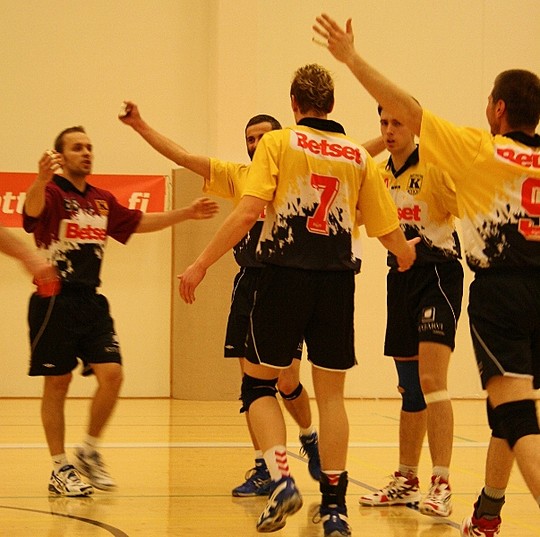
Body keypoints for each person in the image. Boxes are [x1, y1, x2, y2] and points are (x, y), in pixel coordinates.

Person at [313, 13, 540, 536]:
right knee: (500, 411)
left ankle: (445, 482)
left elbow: (413, 110)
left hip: (488, 287)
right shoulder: (383, 172)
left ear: (499, 108)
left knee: (511, 414)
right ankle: (484, 513)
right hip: (442, 279)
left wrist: (351, 59)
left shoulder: (477, 152)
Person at [178, 63, 418, 536]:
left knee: (258, 385)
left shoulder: (278, 142)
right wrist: (406, 254)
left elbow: (248, 211)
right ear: (331, 104)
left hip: (283, 277)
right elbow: (386, 227)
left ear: (294, 104)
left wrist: (201, 262)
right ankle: (335, 508)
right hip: (337, 283)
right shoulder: (357, 155)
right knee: (332, 398)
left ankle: (283, 479)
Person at [119, 103, 322, 495]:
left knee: (287, 379)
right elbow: (183, 157)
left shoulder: (301, 172)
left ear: (279, 140)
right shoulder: (238, 175)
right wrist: (141, 126)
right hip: (249, 283)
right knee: (251, 384)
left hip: (287, 283)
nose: (255, 144)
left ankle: (309, 436)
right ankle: (265, 468)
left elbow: (356, 154)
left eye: (262, 137)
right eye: (250, 139)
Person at [23, 126, 219, 497]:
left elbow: (136, 222)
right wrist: (39, 179)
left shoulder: (100, 199)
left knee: (112, 374)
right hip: (54, 301)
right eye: (77, 147)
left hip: (91, 302)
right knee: (58, 383)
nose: (86, 152)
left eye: (89, 146)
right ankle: (59, 467)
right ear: (60, 156)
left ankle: (88, 451)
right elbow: (31, 213)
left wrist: (186, 213)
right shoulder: (50, 192)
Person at [358, 105, 463, 518]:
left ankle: (441, 483)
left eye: (397, 123)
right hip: (399, 277)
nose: (388, 130)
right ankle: (406, 479)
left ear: (414, 127)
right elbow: (361, 205)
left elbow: (466, 204)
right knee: (409, 388)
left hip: (437, 273)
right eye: (383, 123)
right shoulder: (379, 174)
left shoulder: (434, 166)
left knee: (432, 379)